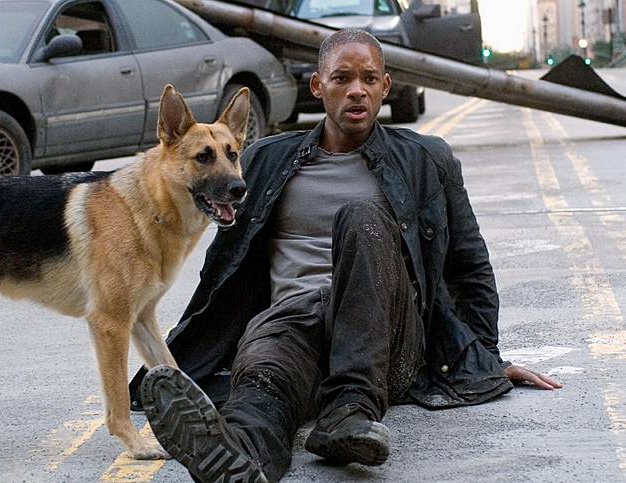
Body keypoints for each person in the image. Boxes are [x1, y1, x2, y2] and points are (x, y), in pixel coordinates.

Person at [131, 29, 562, 483]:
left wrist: (485, 358)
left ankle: (350, 410)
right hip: (292, 324)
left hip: (386, 341)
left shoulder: (425, 159)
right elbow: (224, 268)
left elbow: (469, 265)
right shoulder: (264, 160)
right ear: (318, 86)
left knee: (360, 217)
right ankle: (239, 455)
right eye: (342, 78)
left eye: (369, 79)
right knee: (263, 383)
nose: (357, 90)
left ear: (385, 86)